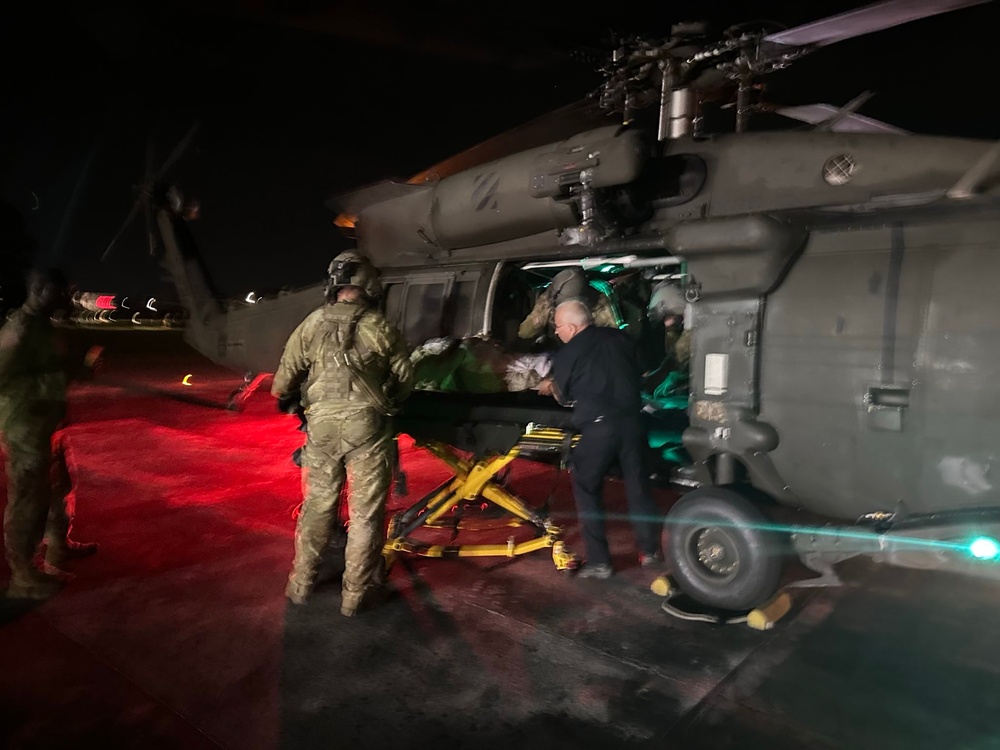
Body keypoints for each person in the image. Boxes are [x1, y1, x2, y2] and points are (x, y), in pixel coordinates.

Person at [272, 251, 414, 616]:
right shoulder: (378, 326)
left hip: (320, 430)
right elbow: (405, 378)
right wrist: (389, 402)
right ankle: (355, 595)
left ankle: (301, 583)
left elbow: (282, 383)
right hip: (367, 431)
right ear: (367, 285)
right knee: (365, 515)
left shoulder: (311, 323)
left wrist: (297, 403)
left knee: (317, 508)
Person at [537, 299, 661, 578]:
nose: (557, 332)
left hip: (599, 427)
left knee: (585, 483)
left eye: (558, 327)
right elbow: (643, 371)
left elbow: (565, 396)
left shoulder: (568, 353)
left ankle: (599, 562)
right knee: (638, 484)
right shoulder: (621, 337)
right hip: (633, 423)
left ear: (571, 326)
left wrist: (549, 386)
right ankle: (650, 550)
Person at [1, 268, 99, 599]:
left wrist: (76, 368)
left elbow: (48, 367)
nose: (64, 299)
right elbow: (6, 381)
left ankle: (59, 543)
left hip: (48, 423)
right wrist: (63, 377)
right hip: (25, 426)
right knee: (29, 498)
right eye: (58, 293)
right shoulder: (20, 329)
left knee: (61, 486)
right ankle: (23, 574)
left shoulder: (44, 326)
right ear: (39, 290)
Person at [518, 268, 621, 341]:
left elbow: (612, 335)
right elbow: (525, 332)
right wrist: (543, 307)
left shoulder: (600, 306)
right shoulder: (548, 303)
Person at [642, 281, 691, 397]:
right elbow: (671, 361)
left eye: (668, 317)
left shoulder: (694, 330)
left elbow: (677, 360)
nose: (667, 324)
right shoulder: (674, 331)